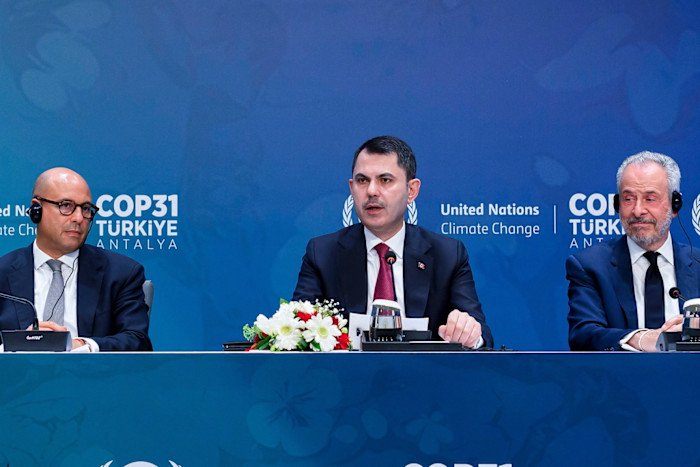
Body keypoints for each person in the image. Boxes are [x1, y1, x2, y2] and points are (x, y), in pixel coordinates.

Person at [293, 136, 493, 348]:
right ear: (352, 188)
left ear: (412, 190)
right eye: (362, 181)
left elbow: (483, 340)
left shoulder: (448, 254)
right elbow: (298, 333)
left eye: (385, 180)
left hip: (424, 369)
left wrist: (469, 334)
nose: (371, 191)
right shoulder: (322, 254)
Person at [0, 168, 152, 351]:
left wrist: (82, 346)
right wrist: (16, 346)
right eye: (66, 205)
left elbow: (137, 341)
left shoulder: (121, 274)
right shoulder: (3, 273)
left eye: (86, 209)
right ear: (36, 209)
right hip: (17, 370)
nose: (79, 218)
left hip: (90, 369)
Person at [566, 151, 698, 351]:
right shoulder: (590, 266)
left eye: (650, 199)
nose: (637, 211)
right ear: (617, 205)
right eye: (628, 199)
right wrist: (642, 339)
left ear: (675, 205)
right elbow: (583, 335)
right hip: (619, 372)